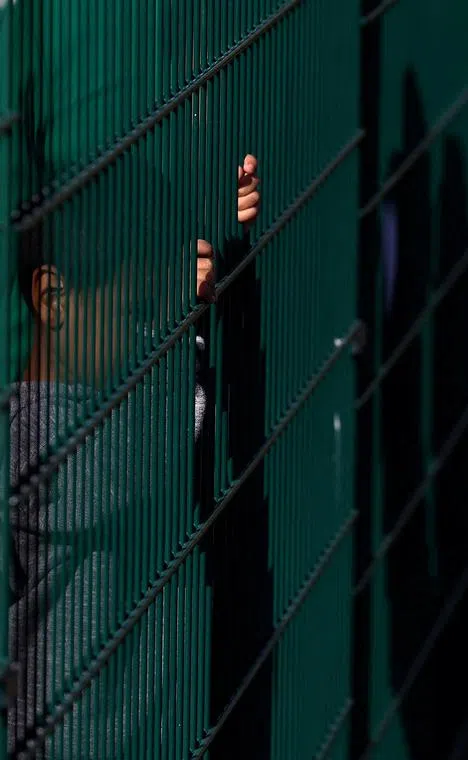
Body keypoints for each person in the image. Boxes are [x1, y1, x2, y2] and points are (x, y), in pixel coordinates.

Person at [6, 150, 261, 758]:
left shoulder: (103, 397)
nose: (154, 330)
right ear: (54, 300)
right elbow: (155, 442)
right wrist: (190, 324)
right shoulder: (48, 447)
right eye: (136, 314)